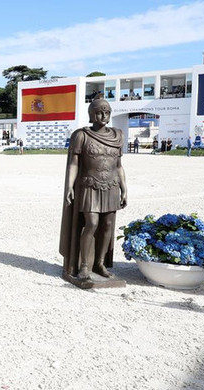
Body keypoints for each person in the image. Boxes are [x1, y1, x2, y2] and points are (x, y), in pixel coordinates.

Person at [59, 98, 127, 285]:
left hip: (111, 185)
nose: (103, 115)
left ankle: (99, 263)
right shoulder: (81, 135)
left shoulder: (117, 136)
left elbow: (119, 166)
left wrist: (124, 188)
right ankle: (83, 266)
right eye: (99, 112)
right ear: (91, 114)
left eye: (107, 112)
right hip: (89, 186)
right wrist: (69, 187)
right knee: (91, 223)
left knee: (108, 225)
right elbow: (73, 164)